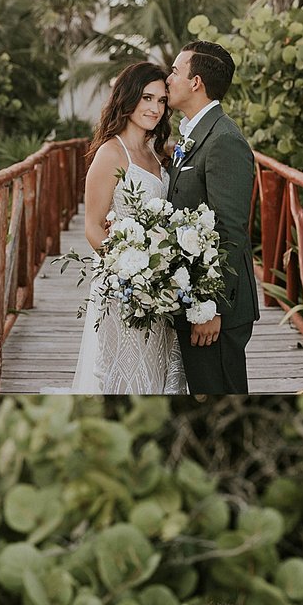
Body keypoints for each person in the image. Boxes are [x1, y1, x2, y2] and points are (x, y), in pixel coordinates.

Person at [69, 62, 187, 394]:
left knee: (158, 366)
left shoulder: (155, 148)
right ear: (128, 98)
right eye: (147, 98)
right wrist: (132, 276)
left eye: (162, 101)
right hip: (124, 286)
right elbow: (92, 227)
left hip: (160, 284)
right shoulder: (110, 154)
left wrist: (159, 276)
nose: (155, 108)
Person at [164, 41, 260, 393]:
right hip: (193, 300)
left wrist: (210, 308)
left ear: (196, 82)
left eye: (175, 71)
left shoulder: (224, 140)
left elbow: (229, 230)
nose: (168, 78)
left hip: (216, 309)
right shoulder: (195, 134)